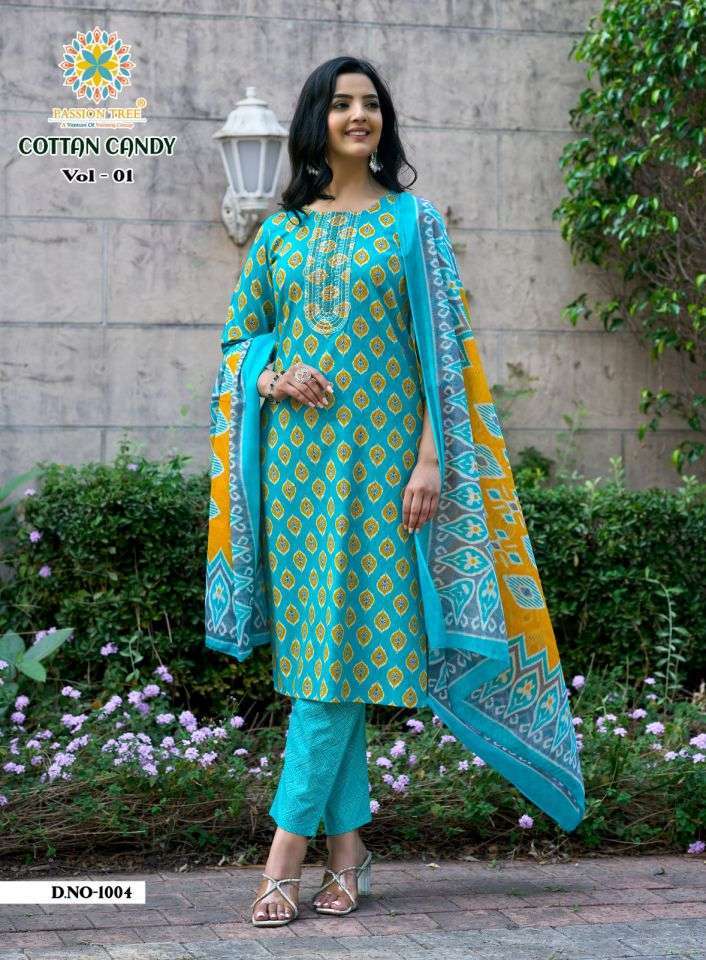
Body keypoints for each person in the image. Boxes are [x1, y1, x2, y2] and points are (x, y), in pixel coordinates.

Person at [205, 55, 586, 928]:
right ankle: (349, 856)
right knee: (322, 662)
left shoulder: (415, 223)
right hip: (298, 478)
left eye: (370, 104)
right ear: (316, 119)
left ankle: (282, 859)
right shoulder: (279, 234)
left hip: (386, 478)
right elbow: (236, 343)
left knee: (331, 666)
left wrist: (431, 461)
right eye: (342, 104)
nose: (358, 116)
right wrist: (271, 376)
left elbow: (441, 353)